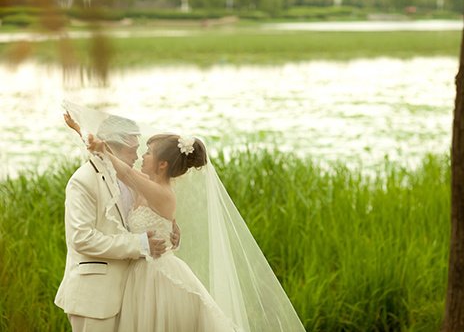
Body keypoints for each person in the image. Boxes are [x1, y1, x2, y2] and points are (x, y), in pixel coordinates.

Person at [64, 107, 306, 332]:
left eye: (145, 151)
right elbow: (85, 235)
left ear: (162, 164)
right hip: (120, 287)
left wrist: (160, 230)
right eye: (135, 149)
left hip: (156, 280)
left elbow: (125, 173)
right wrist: (83, 133)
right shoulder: (93, 181)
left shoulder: (147, 186)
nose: (139, 155)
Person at [55, 113, 180, 332]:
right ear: (114, 148)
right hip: (94, 300)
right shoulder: (82, 181)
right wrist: (141, 245)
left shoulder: (129, 178)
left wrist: (169, 226)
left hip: (132, 295)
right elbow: (81, 238)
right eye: (133, 149)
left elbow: (152, 207)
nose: (137, 156)